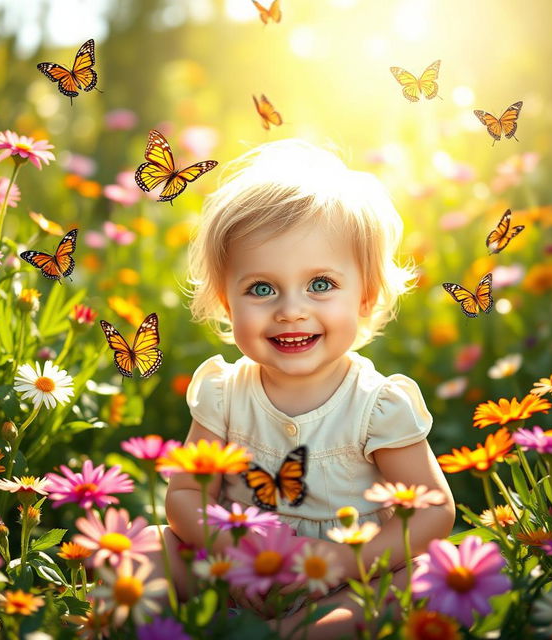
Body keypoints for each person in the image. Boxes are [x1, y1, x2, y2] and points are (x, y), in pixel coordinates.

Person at [150, 139, 455, 637]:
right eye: (262, 289)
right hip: (236, 569)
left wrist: (342, 563)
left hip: (349, 575)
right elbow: (185, 492)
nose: (291, 309)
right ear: (228, 305)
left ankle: (302, 630)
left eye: (320, 284)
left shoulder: (377, 404)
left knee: (421, 577)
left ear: (366, 295)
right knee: (145, 550)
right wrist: (228, 555)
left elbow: (434, 511)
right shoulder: (223, 393)